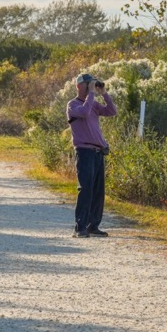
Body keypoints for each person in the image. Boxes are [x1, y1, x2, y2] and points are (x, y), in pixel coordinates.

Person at [67, 72, 116, 237]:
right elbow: (84, 112)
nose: (91, 87)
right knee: (86, 189)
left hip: (97, 152)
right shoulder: (73, 105)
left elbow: (111, 111)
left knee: (97, 191)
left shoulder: (93, 103)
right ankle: (80, 227)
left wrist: (104, 94)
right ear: (79, 86)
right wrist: (92, 95)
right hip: (84, 151)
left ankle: (93, 226)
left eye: (92, 84)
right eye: (88, 84)